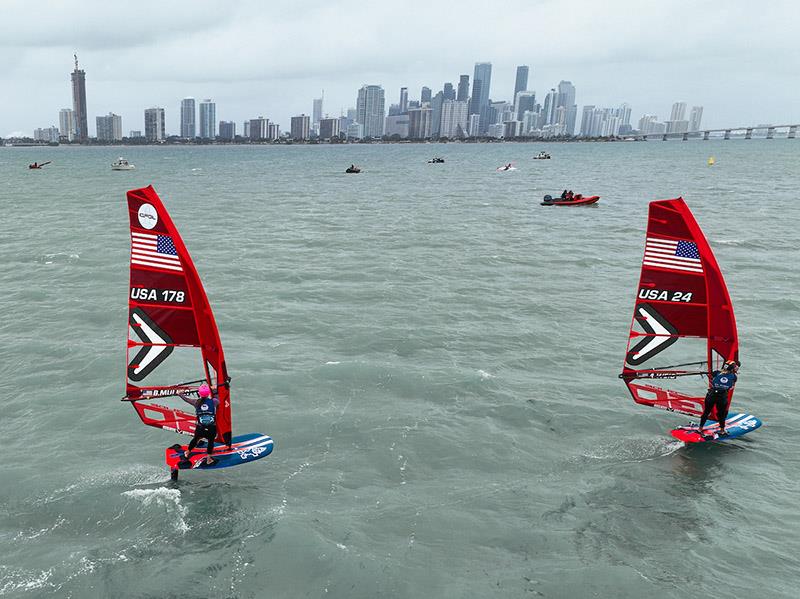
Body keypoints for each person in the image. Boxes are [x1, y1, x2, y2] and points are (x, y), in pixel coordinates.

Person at [179, 383, 219, 465]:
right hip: (211, 428)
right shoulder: (214, 401)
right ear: (208, 393)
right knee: (210, 442)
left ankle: (187, 452)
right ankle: (208, 459)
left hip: (200, 428)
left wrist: (180, 394)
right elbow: (217, 398)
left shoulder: (196, 402)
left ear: (199, 393)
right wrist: (214, 390)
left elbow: (186, 399)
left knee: (195, 439)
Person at [698, 360, 739, 437]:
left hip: (711, 395)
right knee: (721, 414)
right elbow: (731, 384)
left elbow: (713, 375)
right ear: (732, 369)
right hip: (722, 397)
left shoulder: (716, 372)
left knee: (706, 412)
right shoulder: (734, 376)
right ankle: (722, 430)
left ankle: (700, 429)